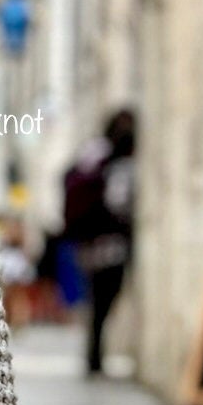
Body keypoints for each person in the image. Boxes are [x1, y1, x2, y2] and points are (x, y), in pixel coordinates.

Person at [63, 109, 137, 376]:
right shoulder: (117, 163)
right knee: (104, 302)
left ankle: (94, 356)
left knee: (97, 303)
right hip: (110, 246)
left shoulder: (92, 154)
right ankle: (95, 358)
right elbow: (119, 203)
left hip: (88, 247)